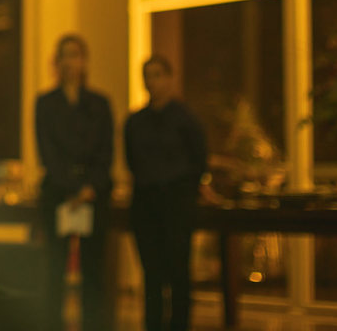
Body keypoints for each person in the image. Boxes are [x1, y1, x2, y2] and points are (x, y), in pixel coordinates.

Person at [34, 33, 114, 331]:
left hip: (94, 195)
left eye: (76, 54)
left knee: (94, 273)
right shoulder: (45, 103)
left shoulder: (99, 103)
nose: (71, 61)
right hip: (59, 194)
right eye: (65, 55)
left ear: (84, 61)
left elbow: (106, 151)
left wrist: (90, 187)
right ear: (57, 62)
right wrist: (70, 188)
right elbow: (47, 151)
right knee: (55, 271)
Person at [125, 54, 208, 331]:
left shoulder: (186, 119)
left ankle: (179, 325)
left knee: (178, 269)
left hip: (176, 202)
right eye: (149, 76)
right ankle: (152, 324)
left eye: (159, 75)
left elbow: (199, 160)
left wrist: (185, 190)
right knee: (151, 271)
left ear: (171, 79)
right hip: (145, 202)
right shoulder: (135, 122)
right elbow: (132, 160)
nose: (154, 82)